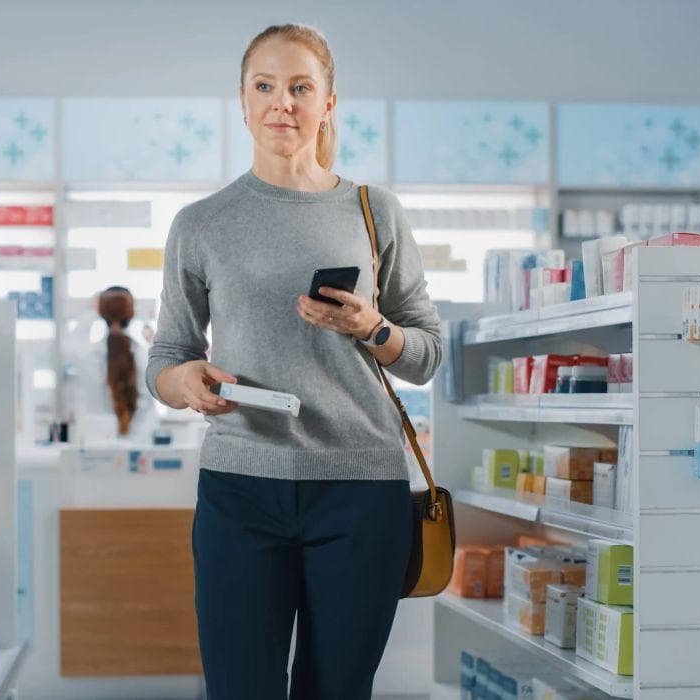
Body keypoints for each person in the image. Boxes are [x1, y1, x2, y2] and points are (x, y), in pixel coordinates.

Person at [146, 24, 442, 699]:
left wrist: (373, 327)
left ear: (328, 103)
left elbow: (425, 355)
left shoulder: (374, 212)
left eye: (301, 88)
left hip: (361, 492)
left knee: (336, 691)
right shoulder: (200, 223)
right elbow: (167, 357)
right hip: (240, 488)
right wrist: (184, 381)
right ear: (244, 102)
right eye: (266, 86)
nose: (283, 102)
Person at [69, 286, 158, 443]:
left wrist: (91, 311)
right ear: (132, 313)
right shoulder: (146, 357)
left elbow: (71, 343)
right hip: (140, 450)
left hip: (100, 449)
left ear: (100, 313)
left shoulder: (88, 357)